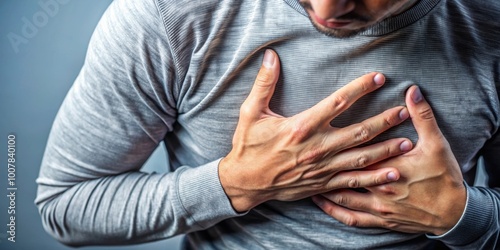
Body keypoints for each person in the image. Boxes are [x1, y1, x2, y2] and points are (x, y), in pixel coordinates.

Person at [35, 0, 499, 249]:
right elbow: (65, 205)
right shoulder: (171, 14)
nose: (325, 9)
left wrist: (461, 216)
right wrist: (237, 183)